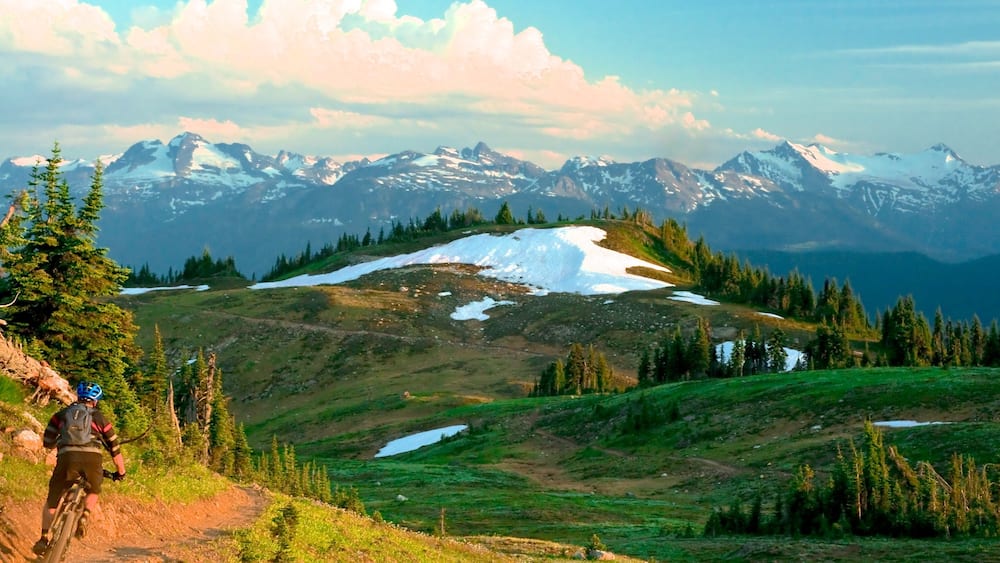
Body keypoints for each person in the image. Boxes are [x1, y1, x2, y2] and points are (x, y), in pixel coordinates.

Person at [33, 381, 127, 556]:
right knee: (93, 489)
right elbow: (114, 448)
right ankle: (85, 514)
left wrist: (61, 444)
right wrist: (120, 473)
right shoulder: (99, 418)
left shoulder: (61, 415)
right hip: (92, 459)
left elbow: (47, 442)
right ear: (95, 401)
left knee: (53, 499)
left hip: (67, 458)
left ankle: (44, 537)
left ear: (78, 396)